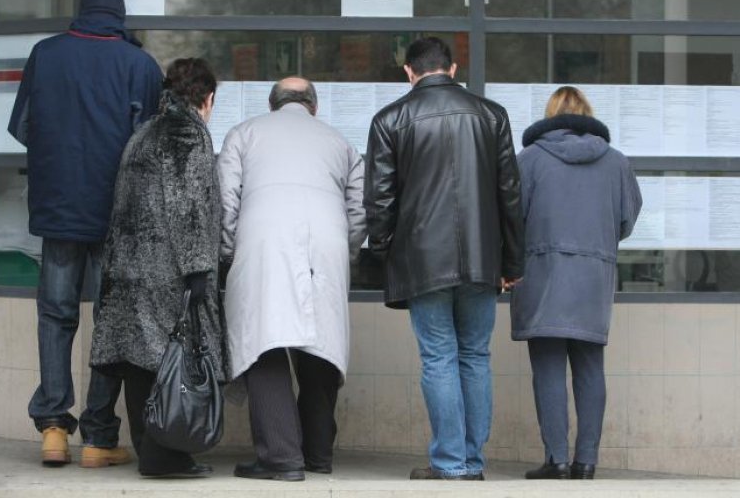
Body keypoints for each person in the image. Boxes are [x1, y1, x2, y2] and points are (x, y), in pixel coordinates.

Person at [6, 0, 162, 467]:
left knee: (55, 317)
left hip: (57, 213)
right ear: (118, 15)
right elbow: (147, 146)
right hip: (115, 216)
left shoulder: (45, 54)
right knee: (108, 324)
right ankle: (98, 436)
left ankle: (53, 427)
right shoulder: (139, 65)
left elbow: (22, 125)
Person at [364, 37, 524, 481]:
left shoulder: (389, 119)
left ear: (409, 73)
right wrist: (512, 262)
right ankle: (471, 462)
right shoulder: (492, 115)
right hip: (482, 258)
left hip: (421, 260)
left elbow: (379, 201)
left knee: (438, 357)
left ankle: (450, 462)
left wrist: (384, 253)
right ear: (453, 69)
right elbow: (510, 194)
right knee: (475, 355)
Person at [217, 77, 366, 482]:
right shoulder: (341, 143)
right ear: (313, 106)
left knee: (263, 342)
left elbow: (226, 201)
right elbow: (359, 211)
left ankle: (281, 457)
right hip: (328, 244)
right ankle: (317, 454)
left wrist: (228, 252)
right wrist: (347, 253)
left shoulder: (243, 134)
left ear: (273, 104)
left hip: (263, 241)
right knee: (320, 343)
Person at [89, 58, 228, 478]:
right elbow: (188, 205)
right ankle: (166, 456)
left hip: (128, 271)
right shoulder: (187, 131)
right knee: (171, 359)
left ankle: (151, 451)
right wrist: (199, 268)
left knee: (139, 363)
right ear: (207, 98)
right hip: (165, 269)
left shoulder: (144, 132)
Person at [511, 86, 642, 480]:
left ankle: (557, 460)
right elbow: (626, 220)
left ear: (550, 116)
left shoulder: (529, 161)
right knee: (590, 367)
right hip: (592, 277)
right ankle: (587, 462)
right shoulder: (616, 163)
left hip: (542, 274)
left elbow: (512, 221)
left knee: (548, 368)